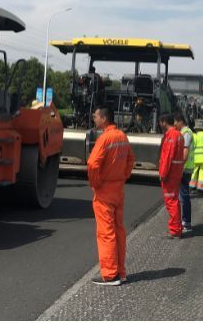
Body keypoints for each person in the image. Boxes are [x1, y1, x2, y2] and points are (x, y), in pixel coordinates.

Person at [87, 106, 135, 286]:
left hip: (105, 191)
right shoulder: (122, 136)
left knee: (106, 233)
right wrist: (123, 176)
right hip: (117, 190)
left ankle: (109, 275)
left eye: (96, 116)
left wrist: (95, 182)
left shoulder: (105, 138)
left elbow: (92, 163)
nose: (94, 119)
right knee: (118, 231)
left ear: (104, 118)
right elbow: (131, 159)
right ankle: (120, 272)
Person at [158, 113, 184, 239]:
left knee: (171, 201)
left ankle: (174, 230)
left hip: (170, 174)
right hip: (176, 172)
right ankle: (177, 228)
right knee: (175, 201)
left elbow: (167, 156)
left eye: (160, 122)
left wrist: (163, 174)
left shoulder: (171, 136)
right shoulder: (178, 134)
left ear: (163, 122)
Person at [176, 113, 194, 233]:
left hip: (185, 169)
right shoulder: (185, 132)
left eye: (175, 122)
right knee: (183, 196)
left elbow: (185, 151)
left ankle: (186, 223)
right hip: (186, 168)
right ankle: (185, 222)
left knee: (184, 196)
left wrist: (180, 167)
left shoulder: (186, 132)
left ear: (180, 121)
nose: (174, 125)